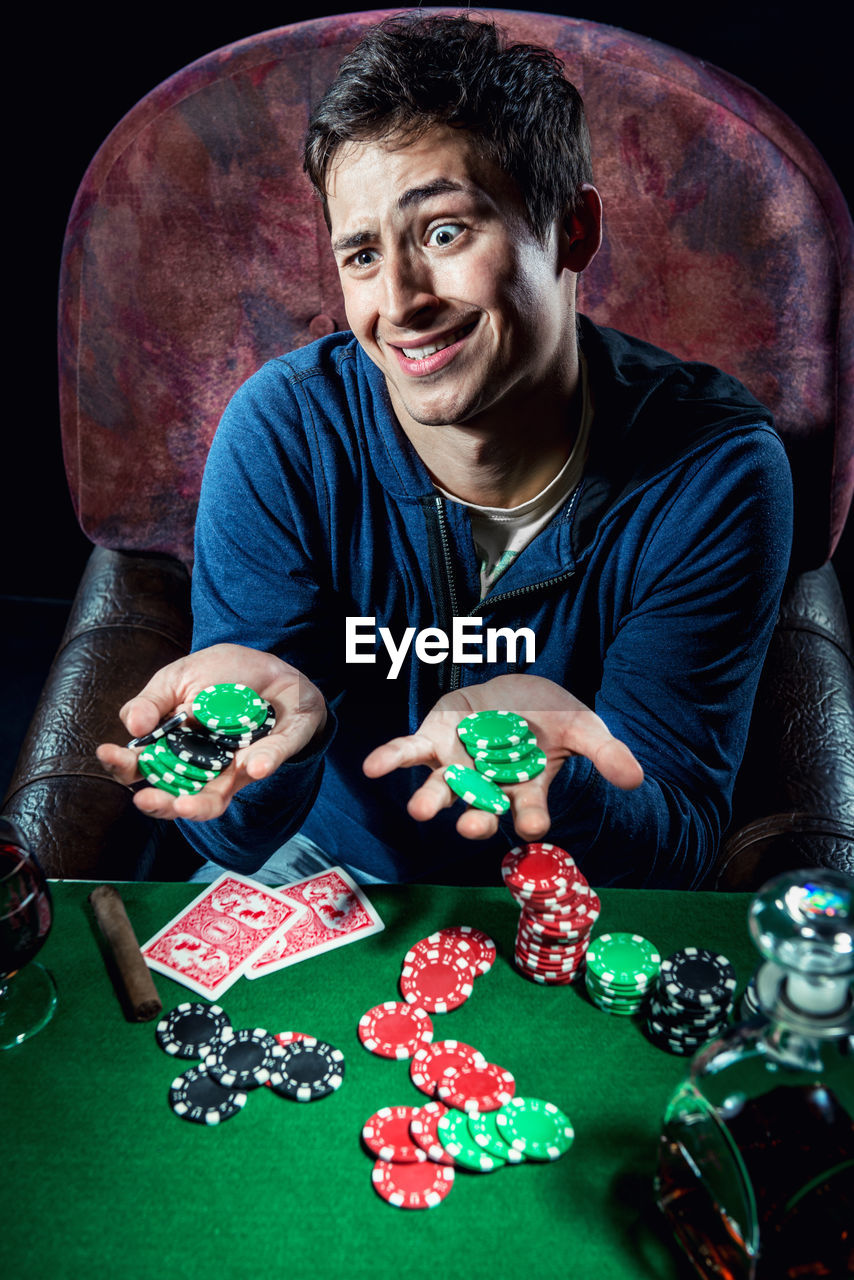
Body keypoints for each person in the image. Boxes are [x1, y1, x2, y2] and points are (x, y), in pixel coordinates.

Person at [96, 13, 793, 889]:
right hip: (324, 867)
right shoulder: (284, 431)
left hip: (571, 891)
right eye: (360, 253)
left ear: (572, 230)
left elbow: (677, 847)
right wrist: (284, 748)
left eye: (444, 232)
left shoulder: (714, 472)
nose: (401, 301)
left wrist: (571, 781)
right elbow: (230, 841)